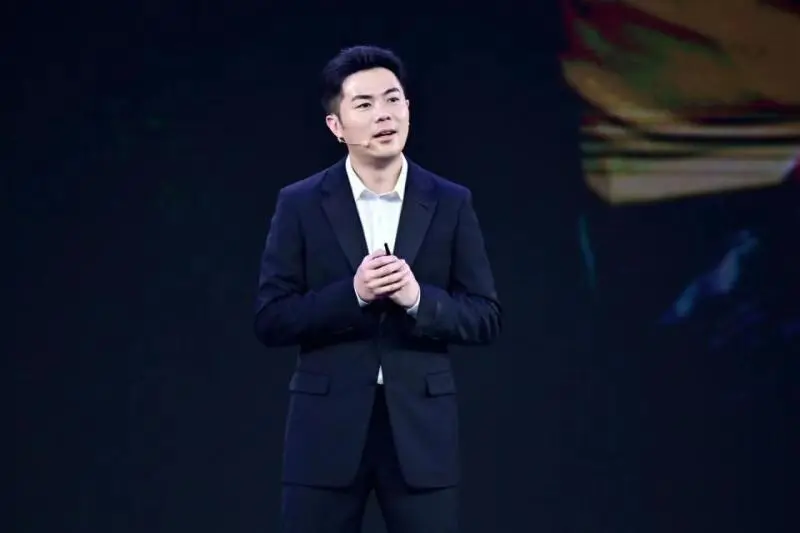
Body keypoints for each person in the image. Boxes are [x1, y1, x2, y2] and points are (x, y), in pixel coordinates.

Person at [253, 45, 501, 533]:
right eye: (364, 104)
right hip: (325, 432)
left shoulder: (450, 202)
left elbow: (485, 316)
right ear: (336, 126)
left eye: (392, 99)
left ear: (408, 107)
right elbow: (270, 317)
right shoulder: (300, 203)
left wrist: (418, 300)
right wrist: (354, 295)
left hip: (420, 433)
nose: (383, 114)